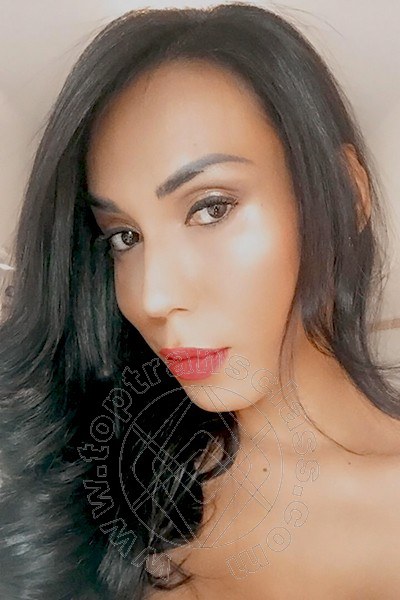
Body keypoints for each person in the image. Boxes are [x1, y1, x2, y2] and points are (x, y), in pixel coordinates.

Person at [0, 3, 399, 599]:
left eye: (211, 208)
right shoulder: (101, 470)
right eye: (124, 237)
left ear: (346, 195)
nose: (152, 296)